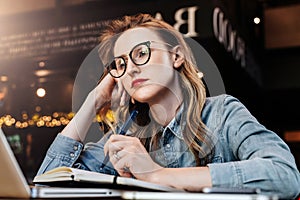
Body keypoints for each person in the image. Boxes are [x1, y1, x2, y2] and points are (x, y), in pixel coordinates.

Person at [36, 13, 300, 199]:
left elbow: (284, 175)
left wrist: (156, 174)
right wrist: (93, 102)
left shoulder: (222, 113)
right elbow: (46, 183)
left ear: (176, 56)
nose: (131, 68)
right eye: (120, 63)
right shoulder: (124, 137)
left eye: (141, 53)